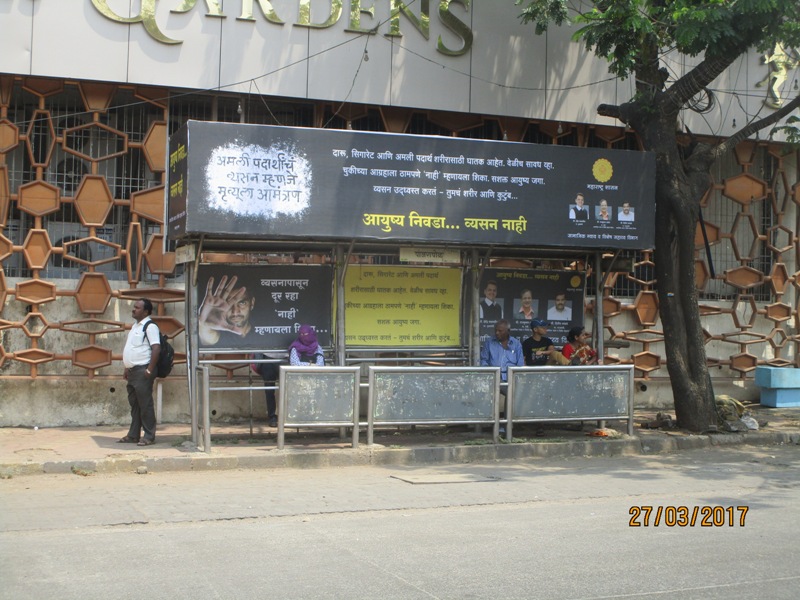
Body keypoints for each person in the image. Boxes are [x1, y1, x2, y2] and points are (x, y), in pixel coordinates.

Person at [199, 275, 281, 426]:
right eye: (230, 305)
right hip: (267, 362)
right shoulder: (219, 332)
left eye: (242, 303)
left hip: (284, 360)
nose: (235, 311)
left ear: (252, 303)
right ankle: (272, 417)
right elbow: (207, 337)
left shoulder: (265, 325)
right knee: (269, 381)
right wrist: (203, 324)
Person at [119, 298, 161, 446]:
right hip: (132, 371)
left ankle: (149, 436)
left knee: (145, 404)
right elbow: (132, 349)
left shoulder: (150, 327)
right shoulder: (135, 327)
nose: (133, 309)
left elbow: (156, 348)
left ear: (146, 311)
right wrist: (126, 367)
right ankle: (133, 435)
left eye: (137, 307)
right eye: (134, 307)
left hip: (143, 371)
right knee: (135, 405)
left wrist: (149, 370)